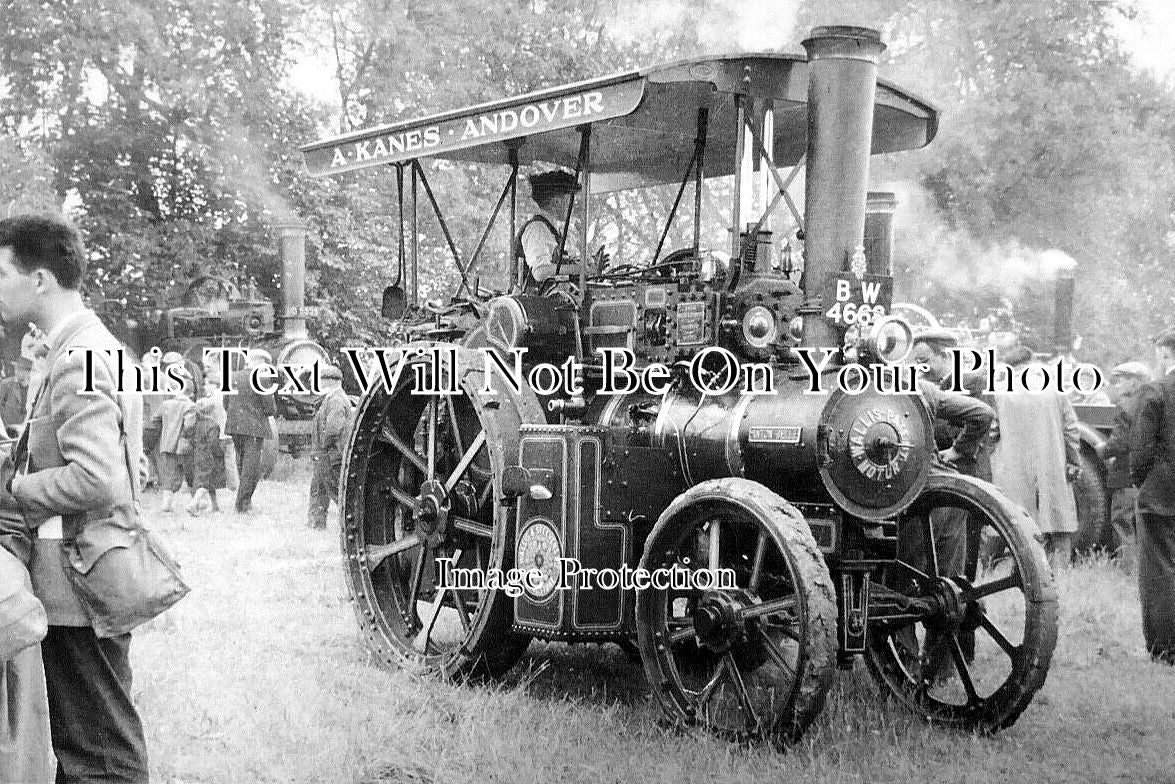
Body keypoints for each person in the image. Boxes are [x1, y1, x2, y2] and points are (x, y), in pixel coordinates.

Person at [0, 215, 150, 782]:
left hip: (78, 584)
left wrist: (16, 488)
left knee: (99, 755)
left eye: (1, 272)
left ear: (40, 279)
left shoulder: (79, 357)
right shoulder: (87, 348)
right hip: (86, 573)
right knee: (85, 743)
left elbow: (99, 478)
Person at [989, 345, 1081, 568]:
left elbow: (992, 431)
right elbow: (1070, 429)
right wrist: (1073, 462)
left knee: (1017, 524)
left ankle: (1020, 573)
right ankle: (1061, 576)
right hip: (1052, 466)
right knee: (1059, 524)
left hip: (1014, 469)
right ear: (1031, 362)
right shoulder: (1054, 389)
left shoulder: (1000, 392)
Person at [1128, 328, 1175, 665]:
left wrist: (1141, 479)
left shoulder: (1156, 390)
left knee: (1158, 570)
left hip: (1161, 493)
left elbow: (1141, 449)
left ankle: (1164, 648)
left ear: (1163, 352)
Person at [1096, 361, 1153, 571]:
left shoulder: (1125, 405)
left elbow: (1120, 442)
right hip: (1147, 476)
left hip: (1125, 474)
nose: (1117, 385)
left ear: (1134, 382)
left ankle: (1128, 570)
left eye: (1120, 380)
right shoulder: (1153, 401)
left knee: (1122, 522)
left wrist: (1102, 449)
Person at [224, 348, 276, 513]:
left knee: (241, 463)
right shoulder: (262, 378)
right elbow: (270, 409)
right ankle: (243, 505)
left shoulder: (232, 376)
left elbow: (225, 403)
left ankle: (245, 502)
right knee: (251, 467)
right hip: (254, 429)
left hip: (235, 426)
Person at [308, 364, 354, 529]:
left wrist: (322, 446)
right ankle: (316, 525)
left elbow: (333, 428)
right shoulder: (331, 398)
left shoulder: (336, 400)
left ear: (329, 381)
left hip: (331, 454)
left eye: (321, 380)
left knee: (337, 493)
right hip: (326, 454)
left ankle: (350, 525)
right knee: (320, 489)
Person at [515, 169, 579, 286]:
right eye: (570, 199)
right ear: (556, 202)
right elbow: (540, 272)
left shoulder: (553, 230)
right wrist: (579, 269)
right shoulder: (537, 229)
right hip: (534, 301)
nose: (573, 205)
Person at [152, 374, 195, 513]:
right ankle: (197, 501)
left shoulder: (165, 404)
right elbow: (189, 425)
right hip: (183, 447)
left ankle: (167, 504)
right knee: (191, 475)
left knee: (169, 475)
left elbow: (155, 420)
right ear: (191, 393)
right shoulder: (190, 405)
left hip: (166, 445)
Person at [183, 395, 225, 516]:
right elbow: (213, 444)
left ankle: (215, 506)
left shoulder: (196, 424)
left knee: (209, 481)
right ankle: (193, 505)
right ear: (212, 411)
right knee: (204, 483)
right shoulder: (213, 425)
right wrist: (219, 453)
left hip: (197, 455)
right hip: (208, 456)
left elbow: (190, 438)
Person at [0, 357, 31, 437]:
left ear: (27, 372)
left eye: (19, 370)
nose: (16, 372)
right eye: (15, 369)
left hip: (23, 431)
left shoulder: (33, 388)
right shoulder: (6, 384)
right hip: (7, 430)